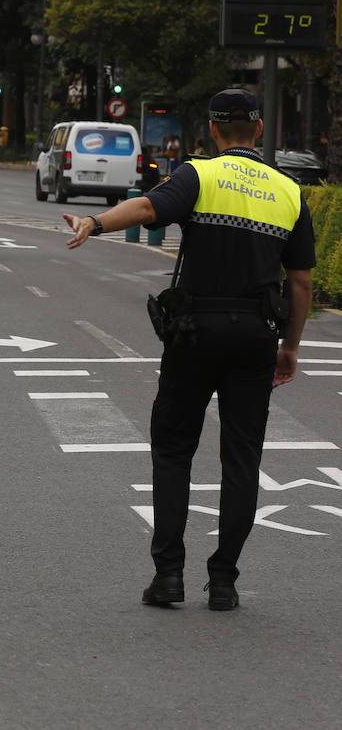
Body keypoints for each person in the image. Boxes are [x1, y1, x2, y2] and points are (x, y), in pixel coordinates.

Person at [63, 88, 315, 612]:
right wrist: (289, 346)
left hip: (196, 332)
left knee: (174, 451)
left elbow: (148, 206)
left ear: (214, 130)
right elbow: (302, 283)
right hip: (254, 335)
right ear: (260, 129)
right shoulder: (289, 191)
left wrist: (94, 222)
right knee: (242, 458)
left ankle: (169, 576)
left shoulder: (198, 175)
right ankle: (223, 582)